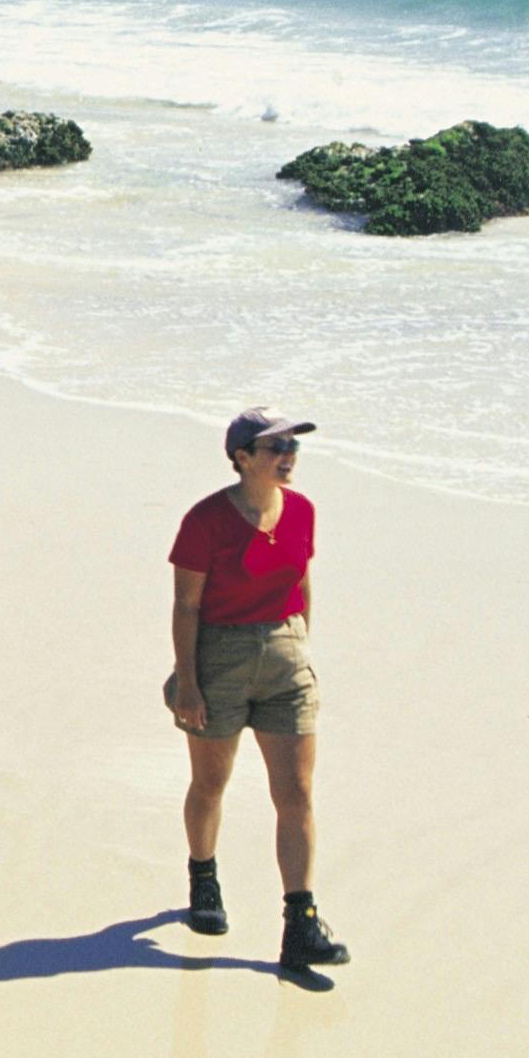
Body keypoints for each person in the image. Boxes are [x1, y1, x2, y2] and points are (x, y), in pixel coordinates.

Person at [164, 406, 343, 968]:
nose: (288, 457)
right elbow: (187, 605)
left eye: (293, 447)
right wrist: (188, 682)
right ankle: (204, 878)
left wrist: (299, 653)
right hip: (219, 655)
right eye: (275, 448)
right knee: (210, 783)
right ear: (242, 458)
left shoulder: (304, 511)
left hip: (285, 658)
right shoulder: (205, 521)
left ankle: (301, 924)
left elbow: (303, 583)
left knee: (296, 795)